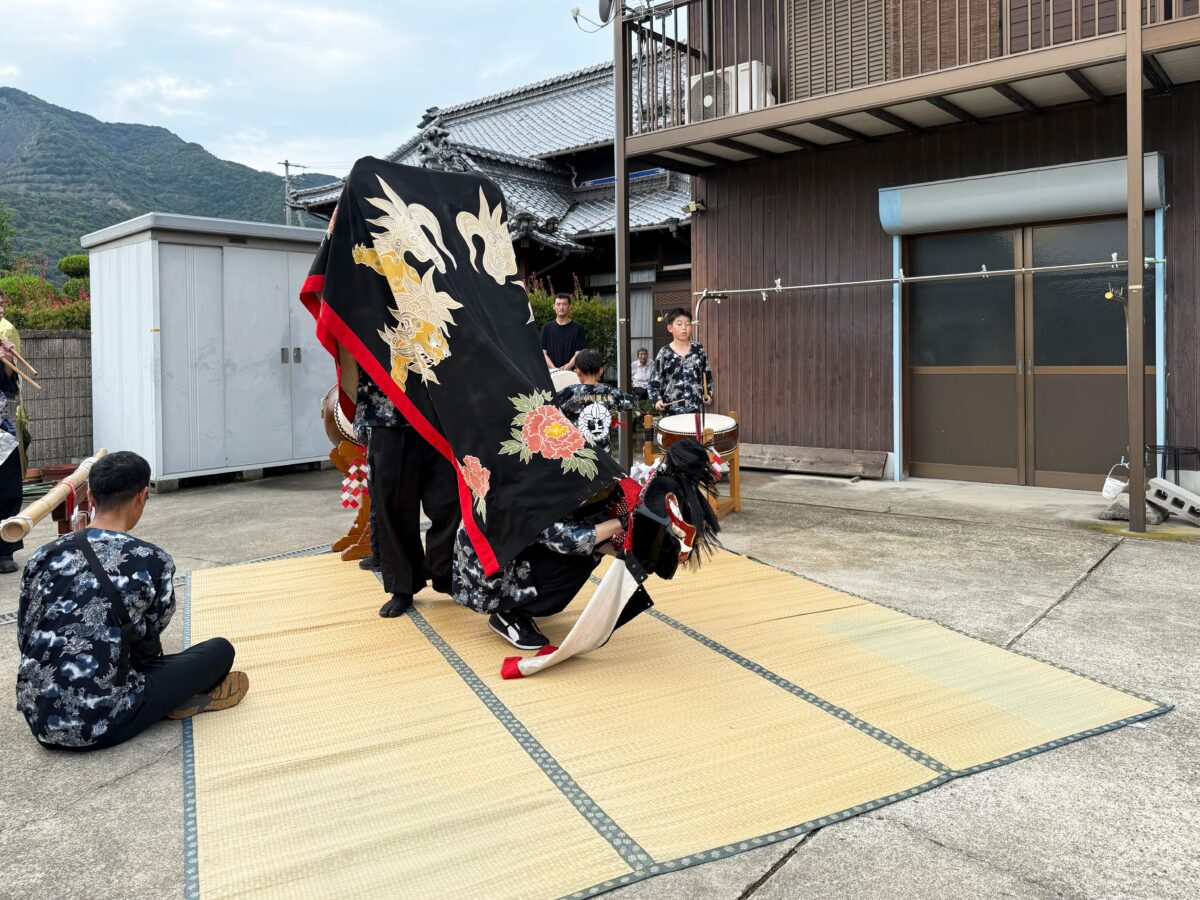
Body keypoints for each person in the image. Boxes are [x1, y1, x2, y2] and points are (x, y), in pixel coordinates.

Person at [15, 451, 248, 750]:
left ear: (91, 496)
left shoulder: (42, 556)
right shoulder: (151, 560)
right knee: (219, 650)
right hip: (101, 722)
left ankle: (162, 698)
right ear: (142, 496)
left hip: (39, 717)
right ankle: (166, 702)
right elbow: (147, 641)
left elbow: (26, 633)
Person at [355, 370, 460, 618]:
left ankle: (444, 572)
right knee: (394, 507)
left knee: (450, 501)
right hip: (387, 413)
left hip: (439, 411)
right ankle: (403, 586)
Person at [552, 348, 638, 457]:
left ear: (577, 371)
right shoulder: (609, 391)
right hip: (603, 454)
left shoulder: (570, 392)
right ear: (601, 371)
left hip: (577, 454)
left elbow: (547, 404)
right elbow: (631, 403)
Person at [649, 307, 714, 415]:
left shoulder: (698, 349)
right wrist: (657, 400)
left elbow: (707, 375)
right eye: (679, 324)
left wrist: (709, 394)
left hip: (695, 411)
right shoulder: (664, 353)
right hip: (671, 413)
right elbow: (654, 383)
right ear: (670, 328)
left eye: (687, 324)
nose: (684, 328)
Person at [0, 288, 25, 574]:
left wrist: (6, 362)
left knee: (8, 489)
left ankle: (5, 549)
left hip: (1, 430)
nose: (1, 311)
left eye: (2, 305)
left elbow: (6, 386)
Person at [540, 292, 586, 371]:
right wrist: (554, 369)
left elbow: (579, 352)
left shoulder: (578, 328)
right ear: (554, 307)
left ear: (570, 306)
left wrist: (568, 367)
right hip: (551, 374)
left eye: (564, 304)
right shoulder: (546, 328)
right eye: (558, 304)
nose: (561, 307)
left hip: (572, 373)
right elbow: (542, 353)